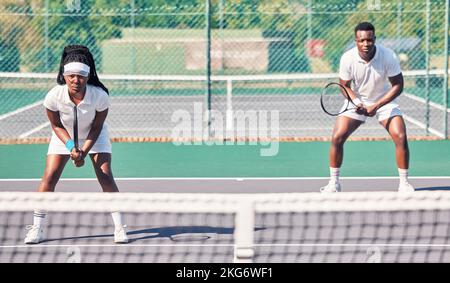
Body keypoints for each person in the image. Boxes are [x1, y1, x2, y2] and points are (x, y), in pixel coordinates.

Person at [24, 45, 129, 244]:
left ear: (88, 76)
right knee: (49, 177)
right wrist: (72, 148)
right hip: (63, 137)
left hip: (94, 136)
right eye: (71, 75)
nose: (75, 80)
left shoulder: (100, 96)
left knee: (105, 175)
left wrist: (83, 151)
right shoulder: (54, 96)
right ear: (64, 76)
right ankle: (36, 229)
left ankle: (119, 227)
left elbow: (97, 127)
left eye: (81, 76)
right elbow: (56, 125)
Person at [320, 22, 415, 193]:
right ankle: (334, 183)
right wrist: (357, 103)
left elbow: (398, 85)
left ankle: (404, 183)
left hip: (383, 101)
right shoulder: (347, 58)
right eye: (361, 40)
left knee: (400, 135)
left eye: (369, 40)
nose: (365, 44)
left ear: (374, 39)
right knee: (337, 137)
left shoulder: (388, 56)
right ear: (356, 41)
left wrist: (377, 105)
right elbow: (345, 87)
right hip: (358, 100)